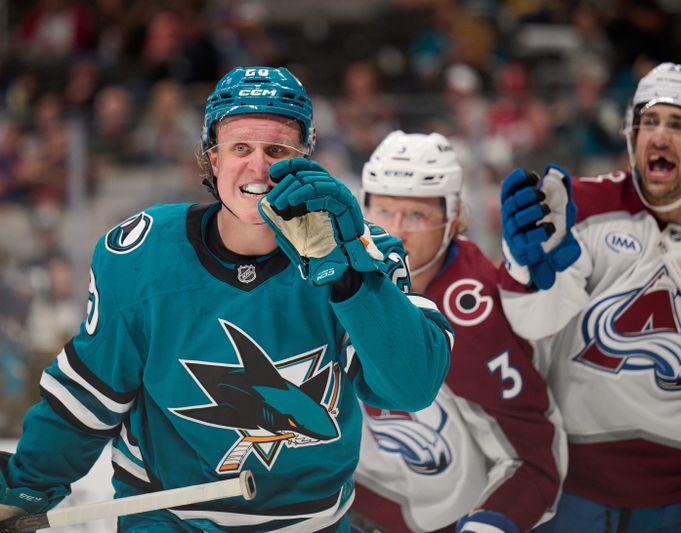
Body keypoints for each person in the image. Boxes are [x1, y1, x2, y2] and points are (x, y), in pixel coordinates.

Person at [0, 66, 453, 532]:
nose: (258, 168)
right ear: (212, 160)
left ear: (307, 160)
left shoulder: (363, 251)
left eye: (277, 150)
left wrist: (350, 281)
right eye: (240, 148)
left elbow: (411, 388)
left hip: (311, 523)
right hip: (168, 517)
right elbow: (87, 396)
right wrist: (26, 488)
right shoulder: (144, 255)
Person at [498, 62, 681, 531]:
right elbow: (534, 328)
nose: (657, 137)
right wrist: (524, 272)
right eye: (647, 122)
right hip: (576, 497)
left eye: (678, 125)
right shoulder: (576, 208)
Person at [351, 131, 566, 533]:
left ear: (453, 220)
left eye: (415, 215)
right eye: (382, 211)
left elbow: (533, 463)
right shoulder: (336, 274)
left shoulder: (474, 312)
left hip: (443, 520)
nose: (395, 232)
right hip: (349, 506)